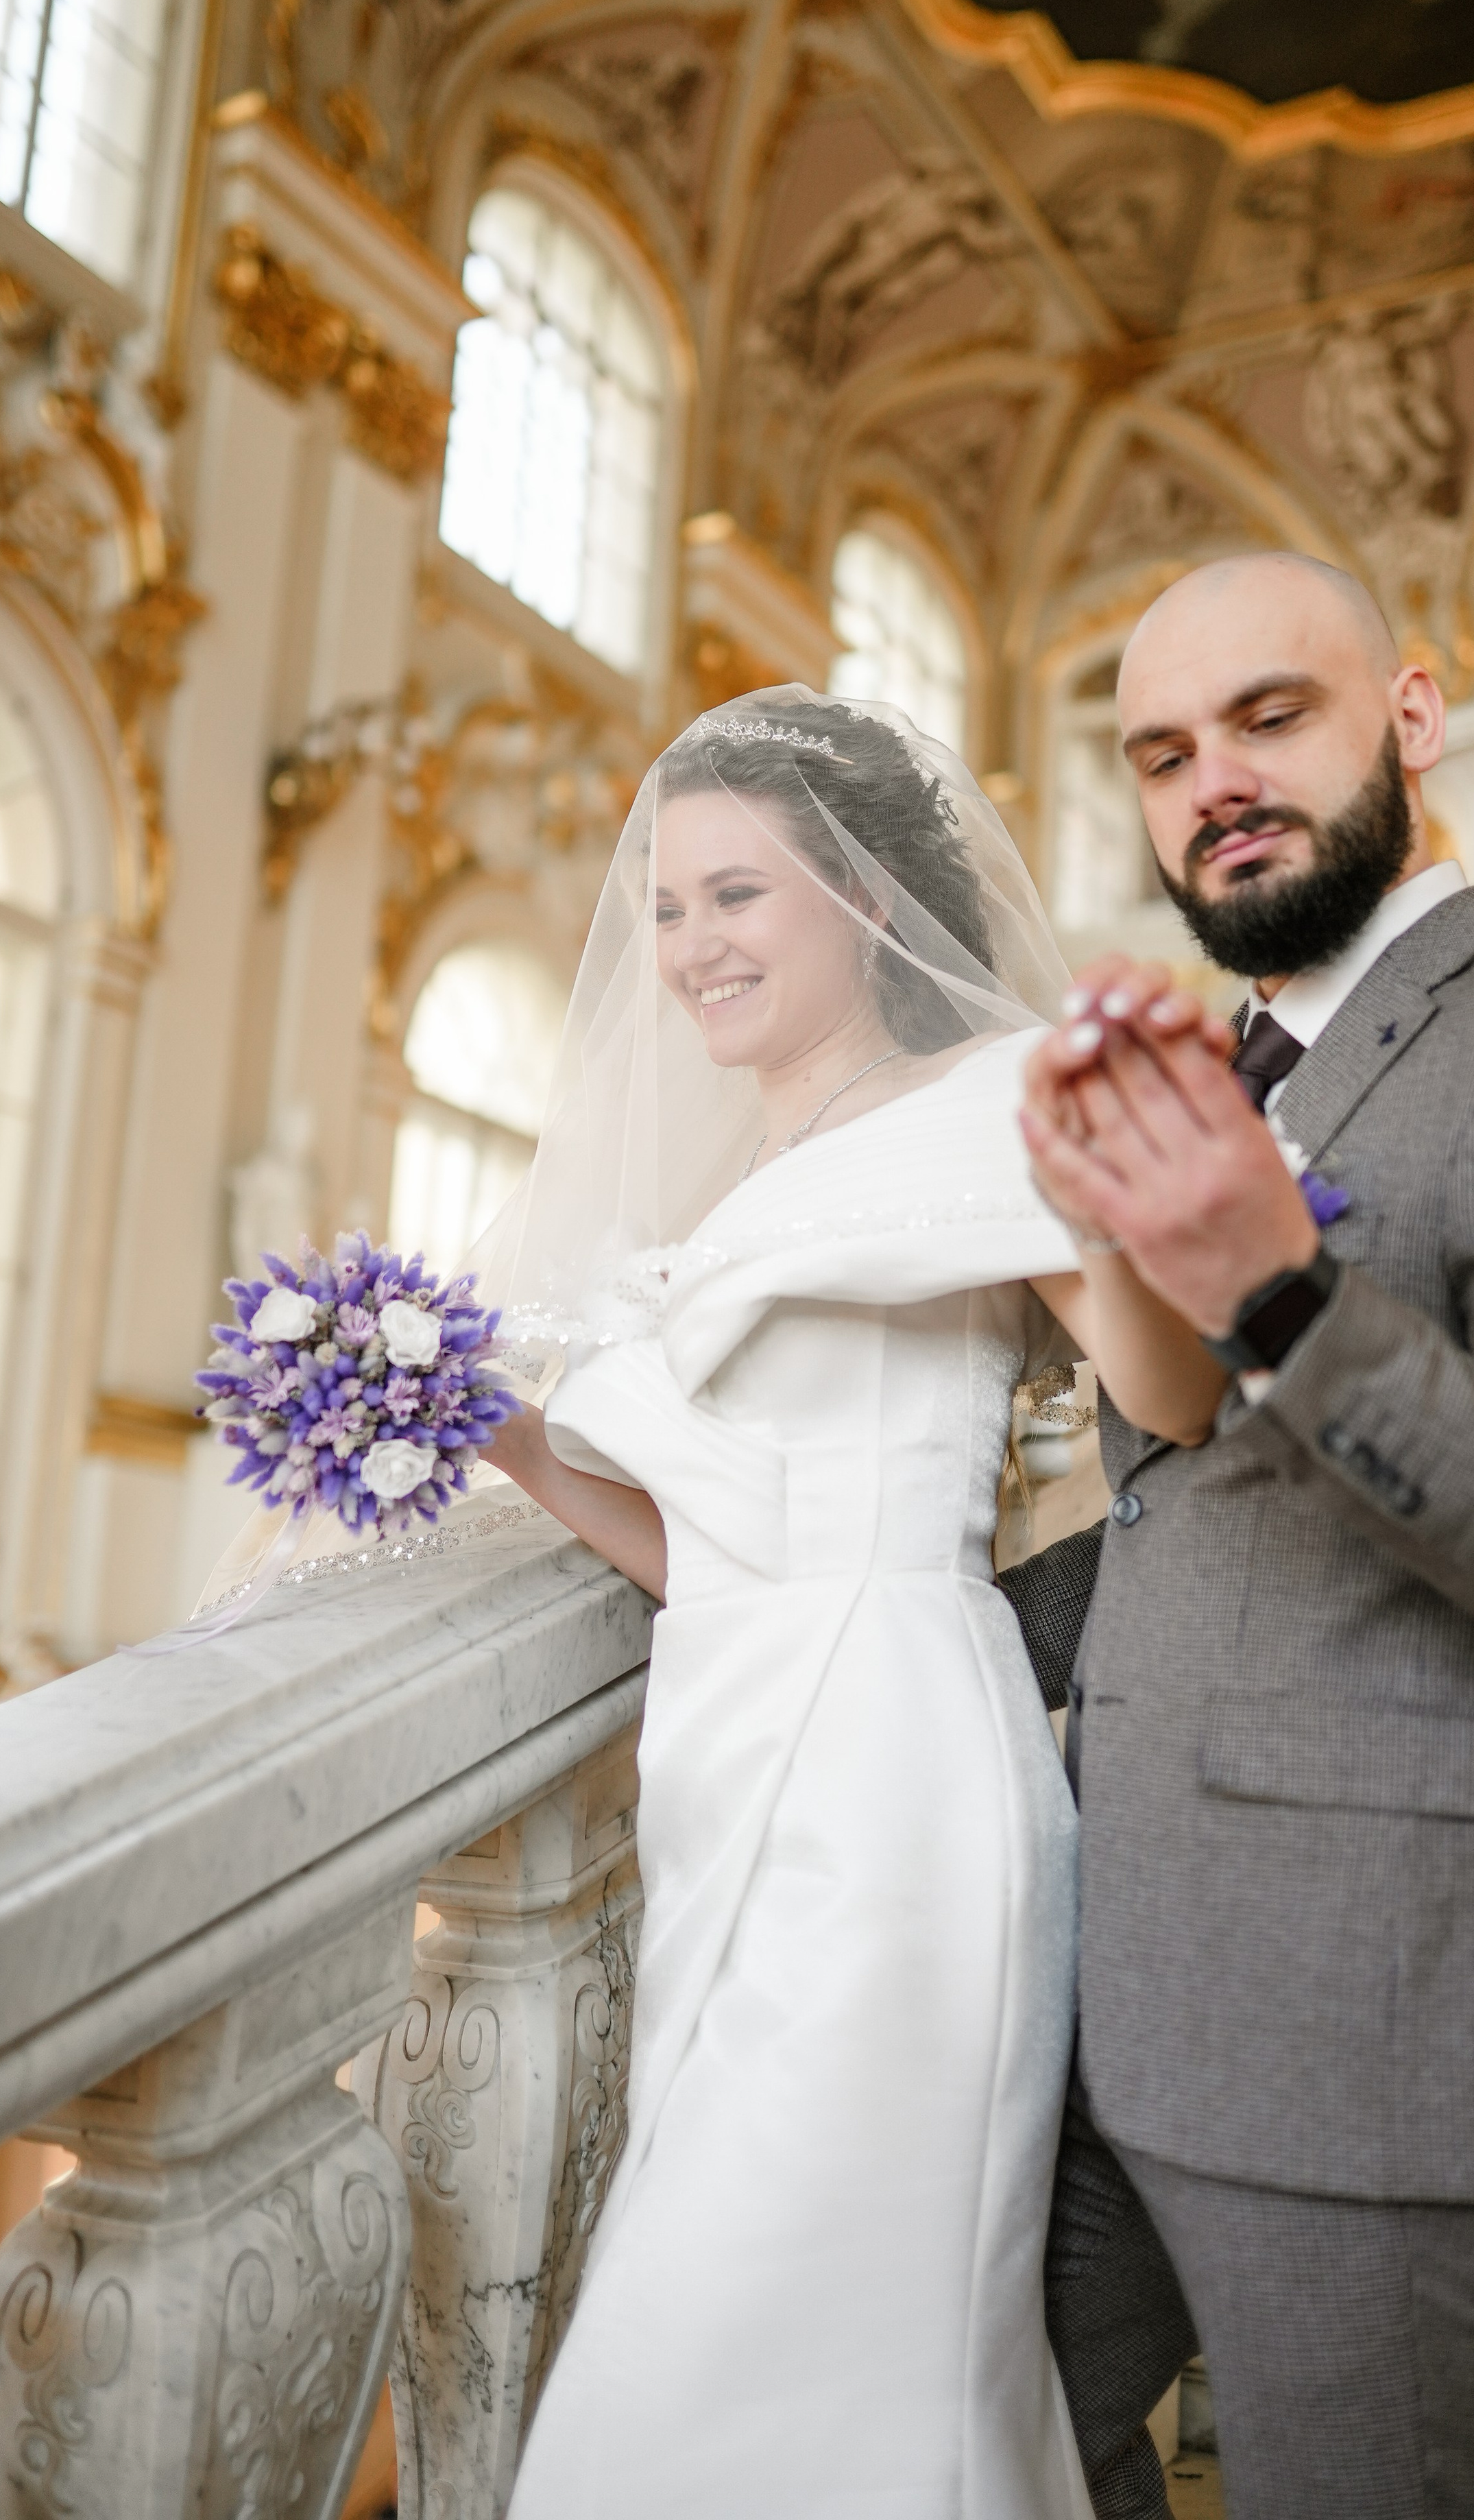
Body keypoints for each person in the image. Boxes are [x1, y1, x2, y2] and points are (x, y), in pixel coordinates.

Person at [470, 686, 1224, 2517]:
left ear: (867, 903)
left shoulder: (988, 1109)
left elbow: (1183, 1402)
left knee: (784, 2311)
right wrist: (487, 1427)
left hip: (894, 1772)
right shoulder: (743, 1174)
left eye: (738, 895)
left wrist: (1106, 1223)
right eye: (664, 902)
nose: (687, 944)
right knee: (750, 2294)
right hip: (729, 1756)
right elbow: (706, 1553)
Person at [1019, 551, 1474, 2520]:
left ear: (1411, 717)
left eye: (1269, 718)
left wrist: (1286, 1295)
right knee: (963, 2451)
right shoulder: (1204, 1074)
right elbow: (1185, 1505)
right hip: (1103, 1989)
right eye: (1161, 752)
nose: (1211, 778)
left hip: (1394, 2017)